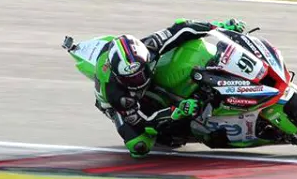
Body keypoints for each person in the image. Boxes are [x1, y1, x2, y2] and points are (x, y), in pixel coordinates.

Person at [87, 18, 247, 158]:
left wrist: (219, 27)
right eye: (132, 78)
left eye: (142, 71)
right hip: (121, 109)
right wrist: (176, 111)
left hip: (128, 66)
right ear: (119, 77)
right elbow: (144, 120)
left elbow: (183, 28)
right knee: (139, 146)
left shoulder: (149, 47)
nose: (139, 79)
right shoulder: (117, 95)